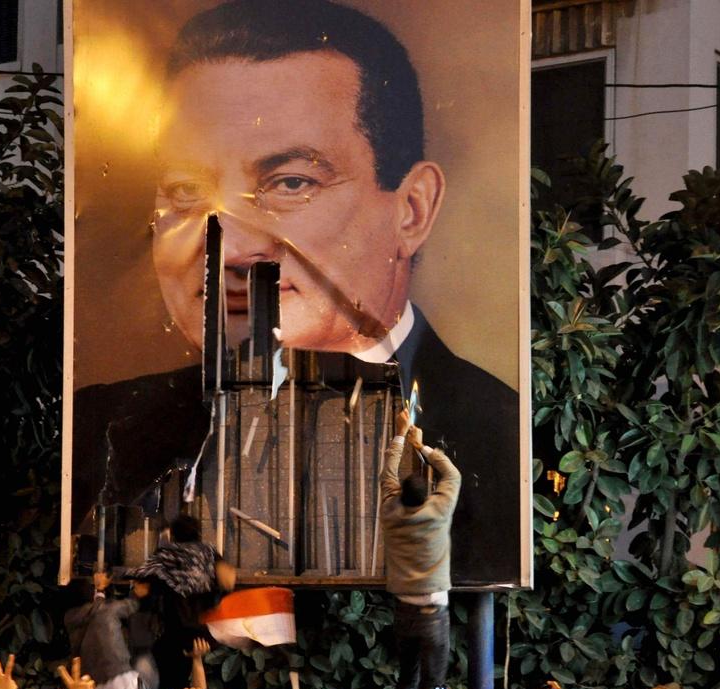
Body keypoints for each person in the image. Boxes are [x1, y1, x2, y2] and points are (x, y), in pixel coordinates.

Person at [71, 0, 520, 588]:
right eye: (185, 189)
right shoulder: (101, 429)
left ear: (412, 210)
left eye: (290, 183)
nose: (225, 247)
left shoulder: (500, 439)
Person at [380, 408, 460, 689]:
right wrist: (421, 445)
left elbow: (388, 473)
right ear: (428, 495)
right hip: (434, 613)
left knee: (406, 679)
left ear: (400, 494)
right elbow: (451, 474)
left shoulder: (390, 509)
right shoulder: (439, 509)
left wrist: (400, 434)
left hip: (404, 610)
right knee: (435, 686)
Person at [126, 515, 236, 689]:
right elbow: (228, 579)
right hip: (207, 636)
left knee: (170, 684)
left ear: (173, 535)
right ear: (198, 533)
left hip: (174, 635)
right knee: (200, 687)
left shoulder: (166, 555)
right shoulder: (208, 552)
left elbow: (141, 583)